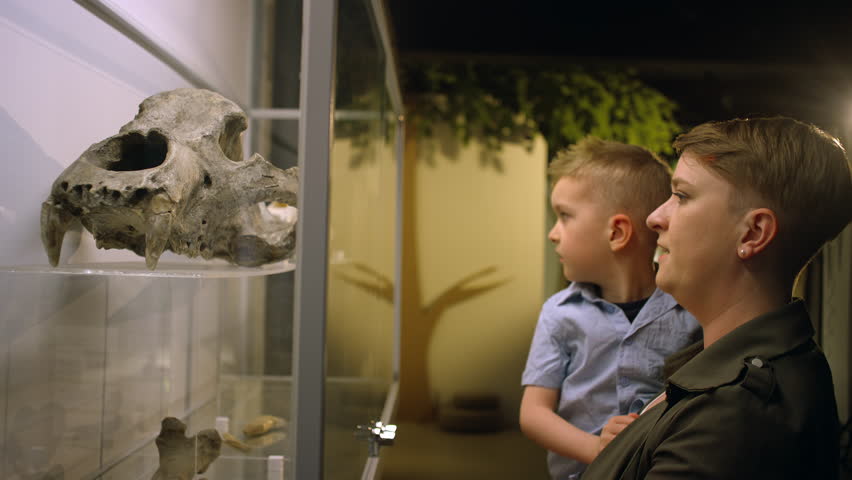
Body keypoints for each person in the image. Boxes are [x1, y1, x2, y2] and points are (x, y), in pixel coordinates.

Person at [583, 116, 852, 480]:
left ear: (753, 233)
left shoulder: (733, 415)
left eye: (682, 195)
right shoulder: (734, 369)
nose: (655, 217)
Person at [520, 137, 701, 480]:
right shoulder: (560, 313)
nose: (553, 234)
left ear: (617, 232)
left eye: (564, 216)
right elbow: (533, 414)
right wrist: (597, 450)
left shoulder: (690, 311)